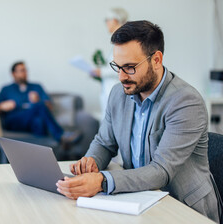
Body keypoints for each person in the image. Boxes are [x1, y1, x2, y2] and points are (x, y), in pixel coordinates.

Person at [56, 21, 221, 222]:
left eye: (130, 67)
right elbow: (104, 143)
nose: (121, 77)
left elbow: (161, 170)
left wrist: (102, 181)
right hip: (138, 198)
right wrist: (91, 162)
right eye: (117, 66)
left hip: (183, 207)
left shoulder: (185, 102)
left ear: (157, 60)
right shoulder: (119, 93)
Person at [0, 61, 81, 149]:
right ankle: (61, 136)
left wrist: (38, 100)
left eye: (26, 70)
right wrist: (2, 106)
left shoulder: (36, 86)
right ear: (13, 74)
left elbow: (49, 107)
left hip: (32, 122)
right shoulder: (6, 89)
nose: (25, 73)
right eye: (21, 70)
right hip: (14, 121)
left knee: (38, 120)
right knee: (39, 106)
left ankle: (42, 152)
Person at [91, 7, 129, 119]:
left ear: (115, 20)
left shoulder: (122, 41)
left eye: (107, 20)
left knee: (113, 121)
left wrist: (101, 72)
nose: (106, 23)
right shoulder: (117, 40)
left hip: (115, 88)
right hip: (110, 89)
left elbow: (121, 67)